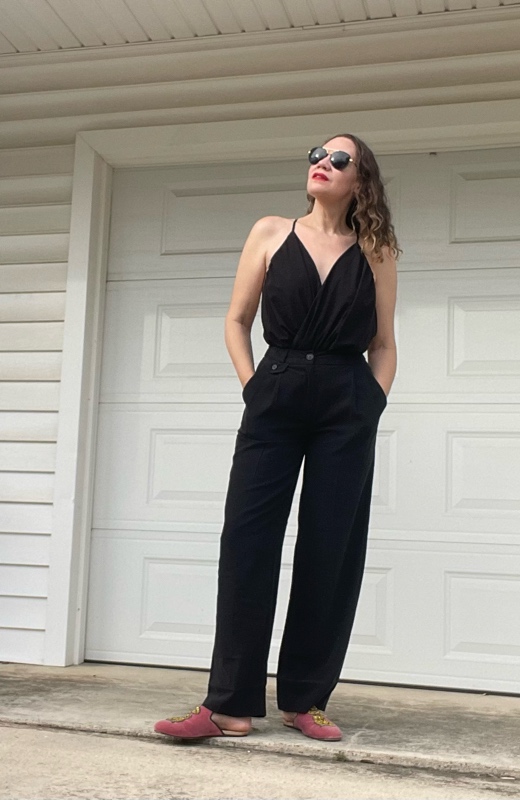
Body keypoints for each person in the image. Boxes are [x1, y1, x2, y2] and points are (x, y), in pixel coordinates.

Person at [154, 134, 399, 742]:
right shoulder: (269, 232)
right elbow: (237, 322)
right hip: (276, 390)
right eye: (316, 153)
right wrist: (253, 388)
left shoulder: (377, 250)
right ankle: (229, 704)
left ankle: (305, 699)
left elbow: (385, 343)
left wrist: (371, 402)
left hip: (347, 401)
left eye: (338, 158)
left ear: (360, 178)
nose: (322, 162)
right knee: (247, 540)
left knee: (330, 549)